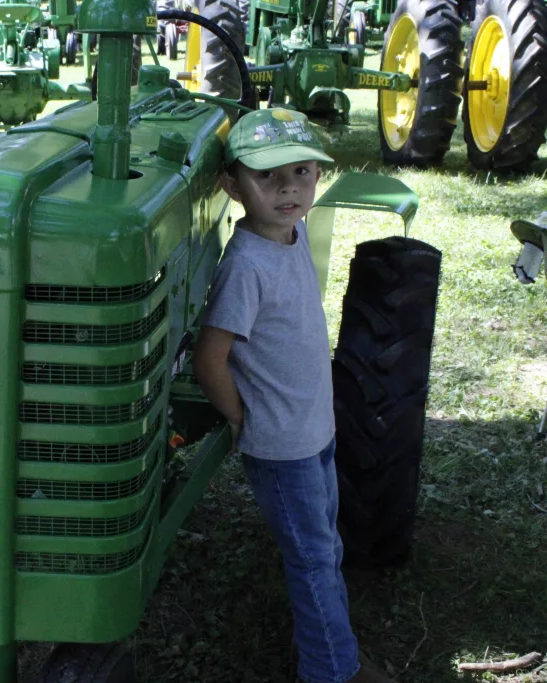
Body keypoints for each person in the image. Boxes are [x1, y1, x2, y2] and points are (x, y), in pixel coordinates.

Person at [192, 108, 395, 683]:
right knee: (312, 561)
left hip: (315, 429)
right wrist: (240, 417)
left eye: (302, 172)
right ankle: (332, 670)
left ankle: (334, 652)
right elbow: (210, 359)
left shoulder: (293, 230)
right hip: (283, 446)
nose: (289, 188)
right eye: (268, 177)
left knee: (323, 548)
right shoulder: (247, 266)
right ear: (232, 186)